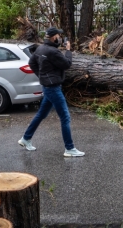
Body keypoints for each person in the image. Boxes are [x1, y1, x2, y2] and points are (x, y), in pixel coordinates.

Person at [18, 26, 84, 157]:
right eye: (59, 36)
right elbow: (67, 64)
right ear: (54, 37)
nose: (60, 38)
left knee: (41, 114)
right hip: (53, 88)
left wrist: (42, 76)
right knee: (65, 117)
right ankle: (69, 149)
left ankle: (26, 139)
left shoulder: (40, 48)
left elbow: (32, 63)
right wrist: (68, 50)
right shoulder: (53, 52)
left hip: (47, 86)